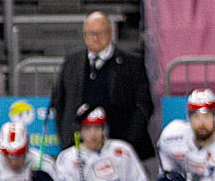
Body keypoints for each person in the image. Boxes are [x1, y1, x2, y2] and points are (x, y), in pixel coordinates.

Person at [51, 12, 155, 163]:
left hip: (125, 152)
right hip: (81, 153)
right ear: (84, 35)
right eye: (91, 33)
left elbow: (144, 106)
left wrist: (128, 142)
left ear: (111, 32)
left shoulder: (132, 63)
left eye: (101, 33)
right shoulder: (71, 62)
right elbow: (60, 104)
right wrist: (68, 140)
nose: (96, 38)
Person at [55, 106, 148, 181]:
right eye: (87, 128)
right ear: (80, 131)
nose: (93, 134)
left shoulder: (122, 150)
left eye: (97, 128)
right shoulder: (68, 158)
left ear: (104, 129)